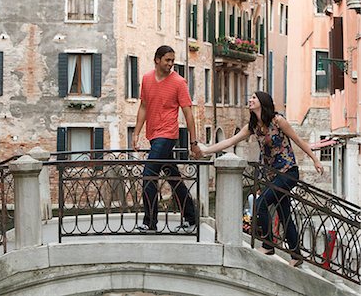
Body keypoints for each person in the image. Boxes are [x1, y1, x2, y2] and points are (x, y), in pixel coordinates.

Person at [198, 91, 323, 267]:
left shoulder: (278, 121)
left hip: (288, 172)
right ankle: (296, 255)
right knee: (284, 213)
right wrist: (206, 151)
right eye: (250, 98)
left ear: (262, 102)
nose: (250, 100)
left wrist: (315, 160)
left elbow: (299, 141)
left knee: (260, 203)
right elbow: (230, 142)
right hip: (273, 176)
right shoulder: (253, 126)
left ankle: (268, 245)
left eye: (254, 98)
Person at [132, 45, 203, 232]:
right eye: (168, 60)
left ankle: (150, 222)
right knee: (172, 177)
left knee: (149, 174)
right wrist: (136, 133)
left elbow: (188, 114)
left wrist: (193, 143)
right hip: (153, 135)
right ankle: (191, 216)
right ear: (157, 60)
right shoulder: (147, 79)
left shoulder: (179, 82)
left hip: (168, 135)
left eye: (173, 60)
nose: (171, 64)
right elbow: (143, 107)